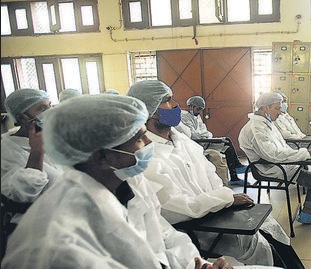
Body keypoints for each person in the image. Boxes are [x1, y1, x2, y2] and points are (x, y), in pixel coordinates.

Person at [1, 94, 239, 269]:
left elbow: (163, 234)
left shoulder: (129, 182)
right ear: (102, 155)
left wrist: (196, 264)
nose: (149, 144)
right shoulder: (59, 240)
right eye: (138, 138)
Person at [128, 80, 303, 268]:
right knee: (256, 243)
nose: (177, 106)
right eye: (168, 101)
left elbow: (211, 174)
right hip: (199, 225)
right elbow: (176, 207)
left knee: (270, 228)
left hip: (218, 209)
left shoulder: (182, 141)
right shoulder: (147, 155)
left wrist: (225, 199)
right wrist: (225, 199)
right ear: (148, 111)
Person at [238, 91, 311, 225]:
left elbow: (282, 148)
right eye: (277, 108)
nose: (280, 112)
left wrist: (303, 155)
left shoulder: (266, 123)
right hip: (272, 168)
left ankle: (309, 211)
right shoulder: (256, 128)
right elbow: (273, 155)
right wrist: (304, 154)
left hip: (281, 163)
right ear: (265, 108)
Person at [1, 89, 64, 226]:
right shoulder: (7, 150)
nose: (50, 112)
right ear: (22, 118)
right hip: (35, 227)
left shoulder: (52, 139)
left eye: (49, 106)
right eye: (41, 108)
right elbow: (24, 192)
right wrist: (37, 151)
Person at [180, 95, 246, 186]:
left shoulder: (196, 116)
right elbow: (193, 134)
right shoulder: (184, 117)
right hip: (197, 143)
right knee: (225, 143)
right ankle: (235, 169)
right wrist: (204, 135)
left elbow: (205, 131)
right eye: (198, 109)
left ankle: (235, 173)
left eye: (201, 110)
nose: (199, 112)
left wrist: (205, 135)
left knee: (226, 141)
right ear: (191, 106)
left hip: (204, 140)